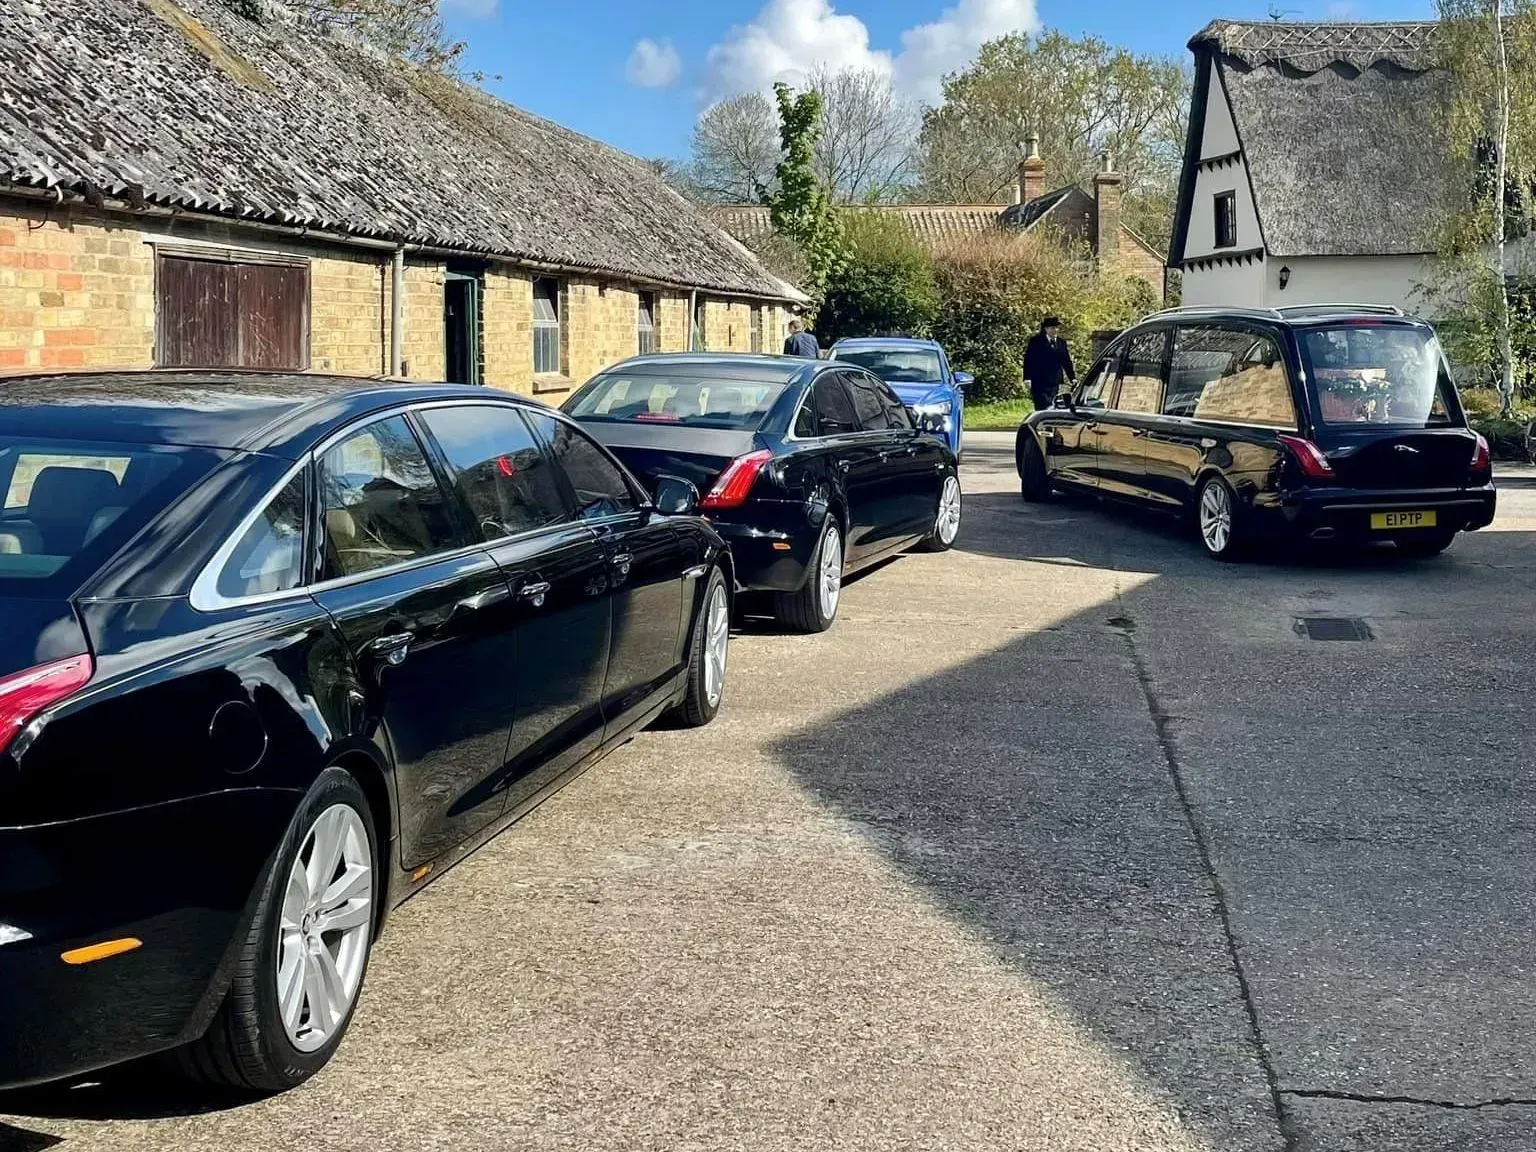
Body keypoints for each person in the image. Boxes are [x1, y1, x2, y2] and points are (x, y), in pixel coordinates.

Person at [1023, 316, 1075, 412]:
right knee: (1042, 406)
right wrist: (1027, 378)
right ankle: (1042, 425)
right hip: (1039, 381)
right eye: (1052, 328)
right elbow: (1028, 360)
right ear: (1046, 329)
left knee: (1054, 406)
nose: (1055, 330)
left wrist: (1072, 378)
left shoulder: (1061, 343)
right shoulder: (1036, 342)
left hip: (1055, 382)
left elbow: (1066, 361)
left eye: (1056, 328)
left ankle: (1051, 426)